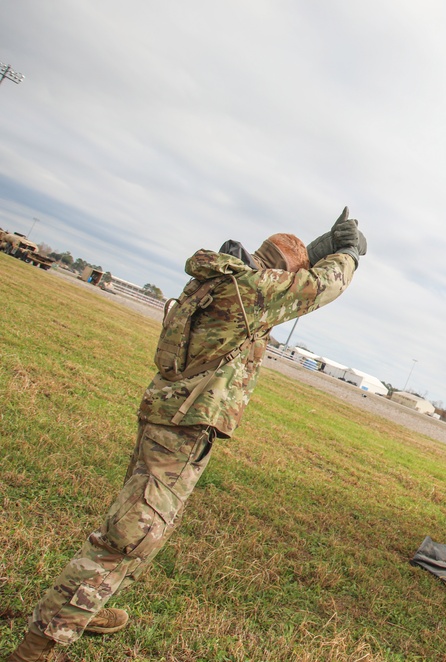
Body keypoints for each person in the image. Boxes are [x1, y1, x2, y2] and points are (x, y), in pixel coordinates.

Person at [6, 208, 367, 662]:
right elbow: (322, 286)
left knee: (141, 526)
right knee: (128, 537)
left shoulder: (222, 279)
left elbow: (279, 284)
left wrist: (313, 250)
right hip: (182, 427)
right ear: (275, 274)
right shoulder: (251, 293)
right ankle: (40, 645)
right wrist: (349, 253)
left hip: (167, 416)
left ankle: (90, 603)